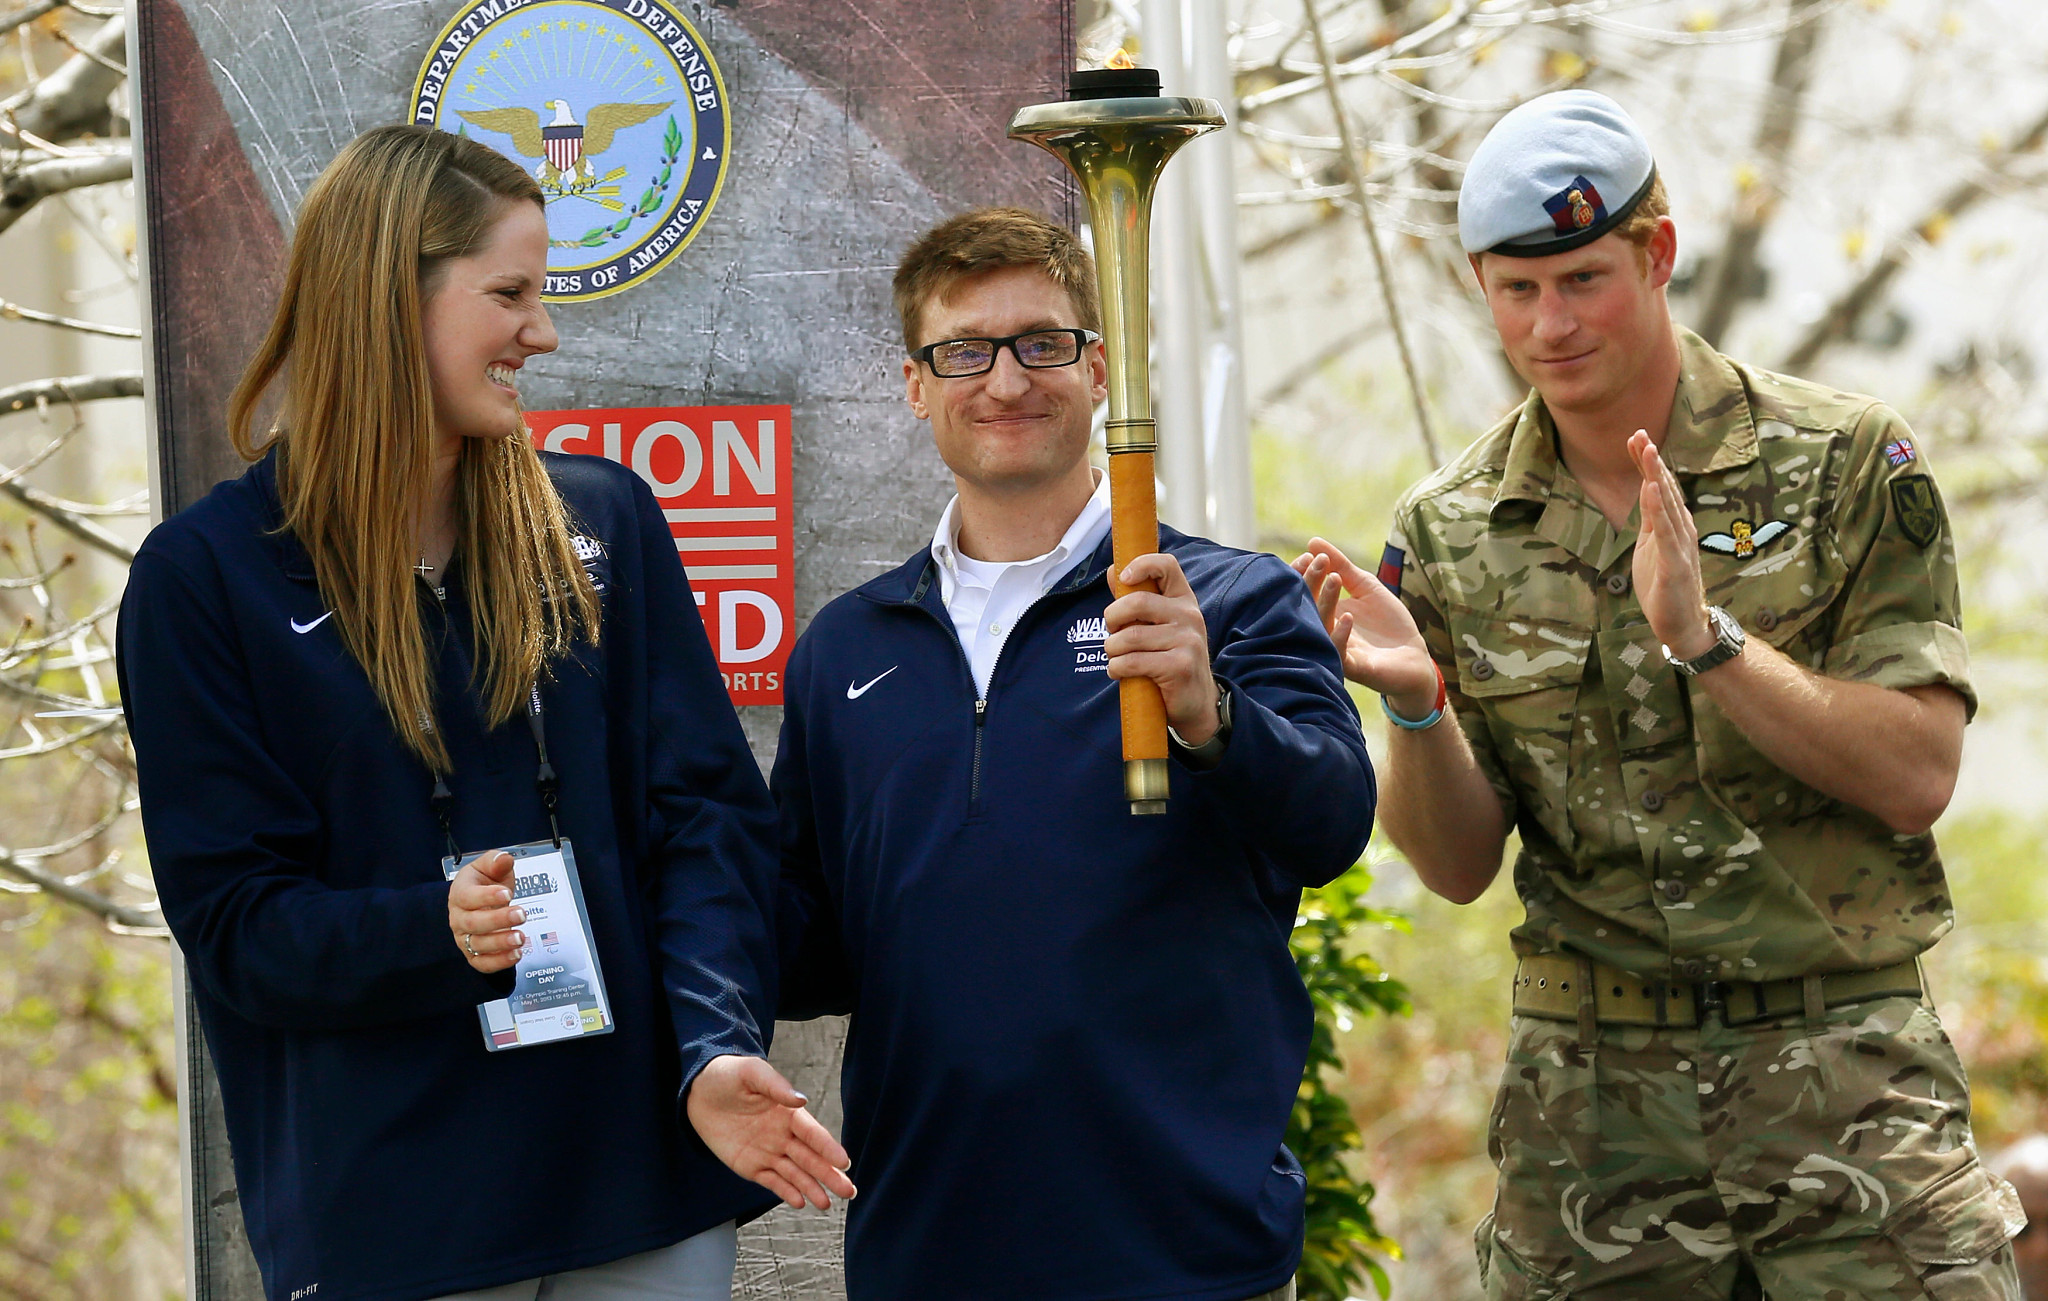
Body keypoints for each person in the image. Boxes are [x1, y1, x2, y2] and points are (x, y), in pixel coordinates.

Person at [1295, 90, 2025, 1298]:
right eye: (1514, 290)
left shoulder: (1842, 460)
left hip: (1839, 1076)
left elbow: (1915, 775)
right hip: (1589, 1116)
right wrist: (1417, 709)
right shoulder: (1450, 527)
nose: (1549, 324)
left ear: (1659, 253)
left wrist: (1708, 640)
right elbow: (1458, 863)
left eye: (1581, 279)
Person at [117, 125, 851, 1301]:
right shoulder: (204, 578)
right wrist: (430, 932)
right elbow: (237, 924)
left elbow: (708, 826)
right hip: (402, 1219)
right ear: (380, 298)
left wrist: (715, 1045)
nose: (542, 334)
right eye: (508, 293)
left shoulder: (604, 521)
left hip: (642, 1188)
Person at [771, 206, 1376, 1301]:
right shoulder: (846, 648)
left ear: (1098, 370)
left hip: (1182, 1252)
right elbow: (811, 944)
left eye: (1040, 343)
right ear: (916, 385)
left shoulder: (1227, 601)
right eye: (963, 351)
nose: (1004, 381)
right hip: (928, 1248)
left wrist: (1210, 712)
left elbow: (1330, 823)